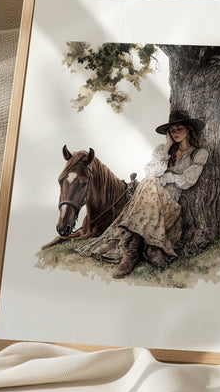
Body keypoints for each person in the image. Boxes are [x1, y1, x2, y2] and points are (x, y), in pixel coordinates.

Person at [77, 110, 209, 279]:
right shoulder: (162, 150)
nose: (175, 133)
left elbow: (188, 180)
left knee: (150, 182)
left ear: (189, 129)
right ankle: (140, 250)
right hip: (151, 202)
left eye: (179, 129)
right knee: (151, 181)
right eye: (172, 130)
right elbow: (151, 172)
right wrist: (167, 148)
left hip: (172, 204)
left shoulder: (199, 153)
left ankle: (132, 254)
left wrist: (167, 177)